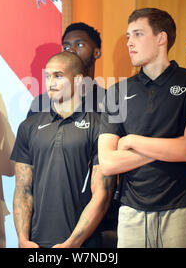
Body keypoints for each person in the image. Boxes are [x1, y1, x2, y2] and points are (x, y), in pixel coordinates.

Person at [99, 8, 186, 248]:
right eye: (128, 36)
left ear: (161, 38)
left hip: (184, 208)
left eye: (138, 34)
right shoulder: (117, 92)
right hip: (131, 213)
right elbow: (109, 162)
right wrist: (169, 146)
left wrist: (131, 140)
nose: (129, 43)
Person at [12, 52, 114, 248]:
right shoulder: (29, 126)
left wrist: (73, 243)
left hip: (82, 243)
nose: (50, 82)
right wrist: (23, 240)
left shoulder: (100, 126)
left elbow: (103, 193)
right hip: (36, 242)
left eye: (58, 76)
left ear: (77, 80)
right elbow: (22, 189)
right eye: (47, 76)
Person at [27, 22, 104, 116]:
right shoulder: (41, 104)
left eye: (79, 45)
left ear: (96, 52)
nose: (71, 50)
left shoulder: (109, 100)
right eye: (66, 47)